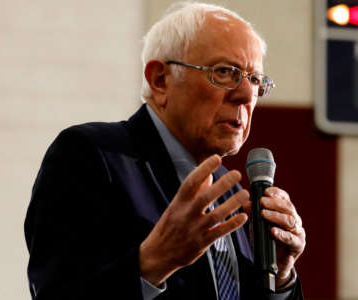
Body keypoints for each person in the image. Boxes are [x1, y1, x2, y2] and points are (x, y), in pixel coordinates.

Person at [25, 2, 305, 300]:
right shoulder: (90, 156)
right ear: (160, 80)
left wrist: (282, 277)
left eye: (254, 80)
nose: (246, 95)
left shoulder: (229, 191)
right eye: (224, 72)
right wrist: (151, 264)